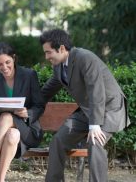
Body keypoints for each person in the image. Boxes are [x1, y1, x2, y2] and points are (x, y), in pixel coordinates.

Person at [39, 29, 130, 182]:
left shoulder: (85, 58)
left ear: (61, 48)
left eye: (48, 52)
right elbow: (47, 90)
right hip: (88, 110)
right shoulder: (58, 66)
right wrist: (25, 104)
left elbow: (97, 91)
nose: (46, 56)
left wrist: (95, 125)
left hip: (110, 108)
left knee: (95, 142)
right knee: (58, 140)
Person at [0, 42, 45, 182]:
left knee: (7, 116)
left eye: (7, 62)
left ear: (14, 58)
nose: (4, 67)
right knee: (12, 134)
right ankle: (1, 180)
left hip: (28, 129)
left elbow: (39, 105)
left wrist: (28, 113)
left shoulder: (29, 75)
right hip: (4, 133)